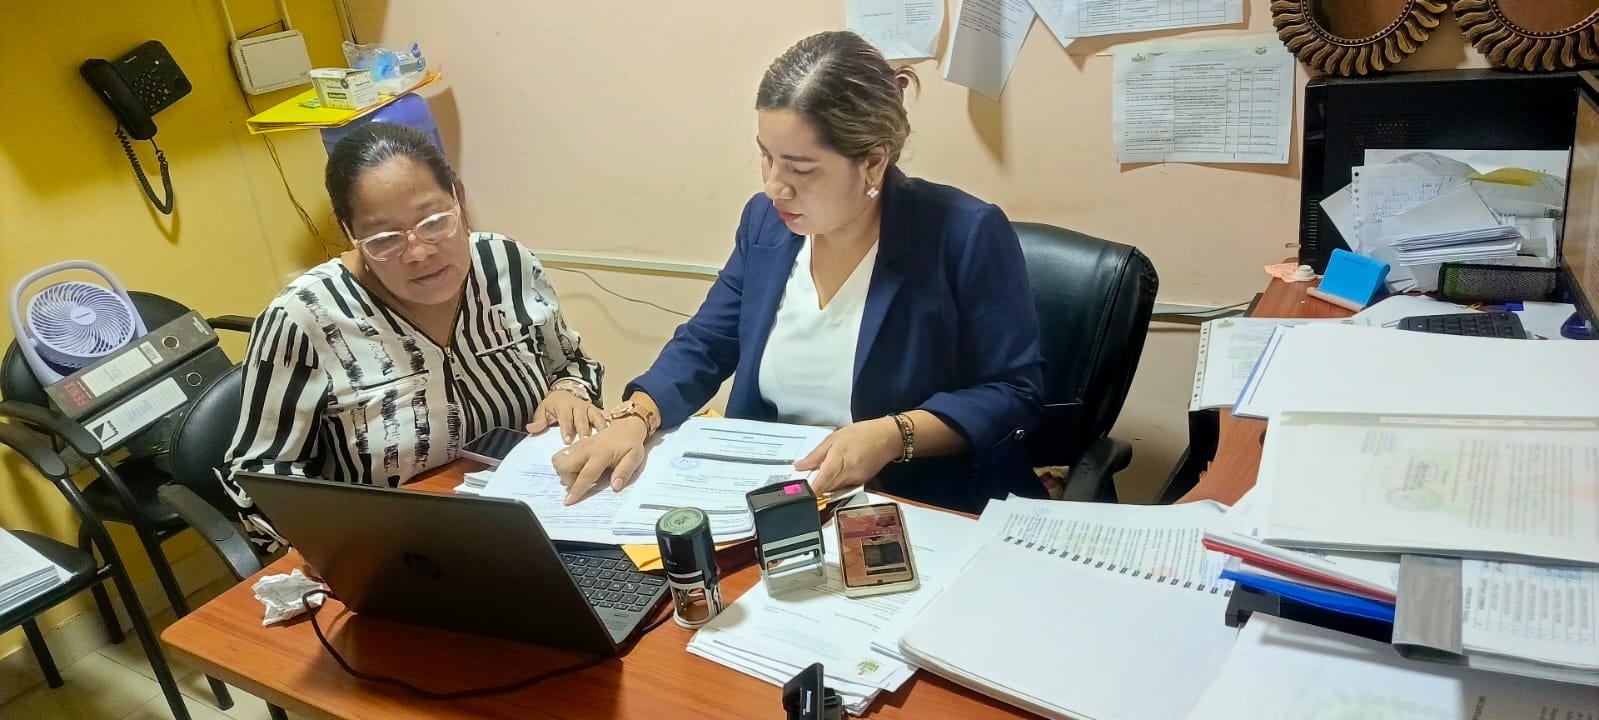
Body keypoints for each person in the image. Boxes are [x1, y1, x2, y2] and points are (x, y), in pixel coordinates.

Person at [554, 31, 1045, 514]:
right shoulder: (765, 223)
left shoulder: (963, 234)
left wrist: (894, 434)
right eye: (766, 157)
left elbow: (1013, 394)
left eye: (800, 169)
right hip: (777, 495)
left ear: (873, 163)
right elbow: (706, 342)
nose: (774, 186)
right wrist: (635, 417)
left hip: (910, 503)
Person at [221, 123, 604, 552]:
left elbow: (572, 365)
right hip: (399, 552)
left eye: (434, 221)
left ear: (458, 198)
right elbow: (256, 478)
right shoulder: (305, 318)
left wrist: (569, 391)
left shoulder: (507, 265)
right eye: (385, 239)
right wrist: (329, 539)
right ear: (349, 232)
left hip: (541, 522)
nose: (419, 252)